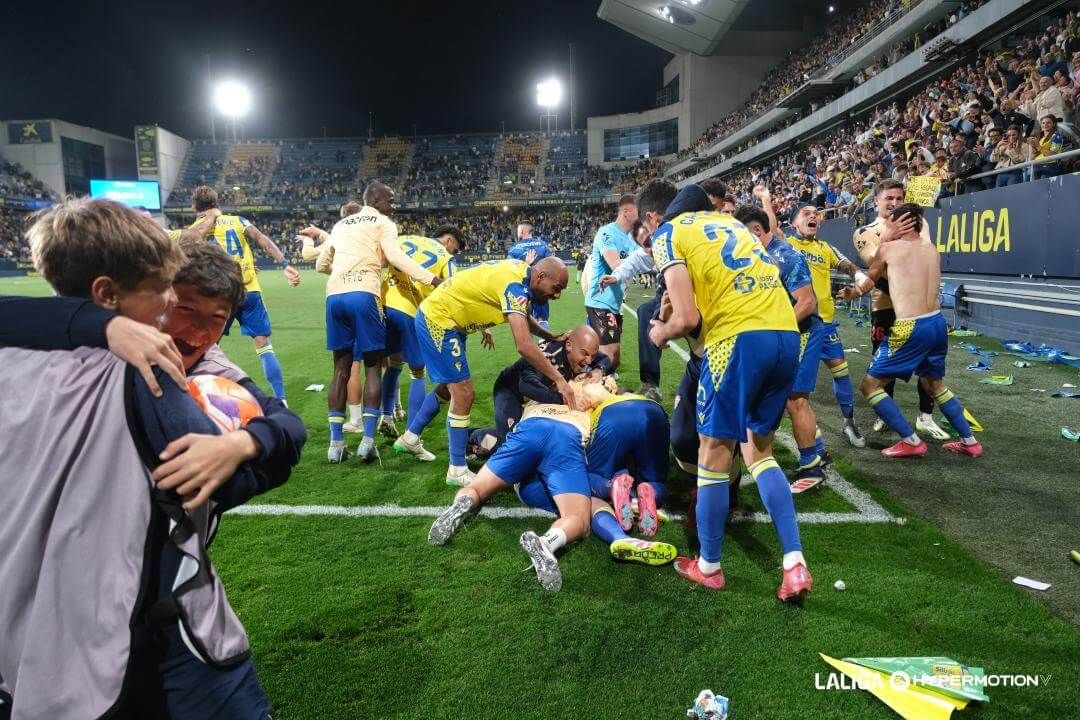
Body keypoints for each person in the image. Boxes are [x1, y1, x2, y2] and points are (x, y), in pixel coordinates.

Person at [1, 198, 299, 720]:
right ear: (107, 295)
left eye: (216, 319)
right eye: (169, 297)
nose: (173, 314)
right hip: (150, 615)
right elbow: (216, 486)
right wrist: (243, 451)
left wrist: (242, 442)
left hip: (26, 625)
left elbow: (286, 424)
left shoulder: (15, 352)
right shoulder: (147, 374)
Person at [641, 178, 811, 603]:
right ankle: (793, 561)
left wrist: (660, 334)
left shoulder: (669, 234)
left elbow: (685, 317)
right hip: (786, 334)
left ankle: (709, 566)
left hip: (735, 342)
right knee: (759, 452)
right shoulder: (734, 224)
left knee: (713, 453)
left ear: (663, 217)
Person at [395, 256, 572, 486]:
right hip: (439, 320)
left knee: (450, 389)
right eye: (556, 288)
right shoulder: (515, 285)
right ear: (540, 277)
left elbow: (522, 317)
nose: (557, 296)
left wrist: (551, 336)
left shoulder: (521, 273)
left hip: (449, 320)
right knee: (464, 393)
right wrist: (559, 379)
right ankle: (457, 469)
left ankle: (410, 437)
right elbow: (524, 345)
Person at [841, 203, 983, 459]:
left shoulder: (888, 248)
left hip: (910, 327)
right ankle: (970, 441)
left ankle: (911, 441)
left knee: (870, 385)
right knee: (934, 383)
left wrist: (854, 291)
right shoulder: (931, 249)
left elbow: (869, 280)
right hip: (937, 323)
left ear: (899, 224)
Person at [314, 181, 442, 464]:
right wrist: (432, 279)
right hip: (364, 294)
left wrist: (344, 272)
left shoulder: (342, 224)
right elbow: (396, 258)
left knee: (340, 369)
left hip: (334, 296)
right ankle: (367, 442)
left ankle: (335, 445)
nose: (393, 205)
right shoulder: (382, 222)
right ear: (376, 199)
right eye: (390, 199)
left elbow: (320, 265)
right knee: (373, 367)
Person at [427, 385, 598, 592]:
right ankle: (547, 542)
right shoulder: (593, 396)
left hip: (529, 429)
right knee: (579, 519)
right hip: (565, 437)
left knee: (477, 488)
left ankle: (461, 504)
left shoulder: (543, 388)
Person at [736, 186, 826, 491]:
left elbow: (807, 302)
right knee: (790, 398)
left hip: (801, 333)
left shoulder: (786, 256)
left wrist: (774, 324)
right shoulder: (761, 252)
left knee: (794, 400)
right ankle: (817, 449)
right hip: (784, 334)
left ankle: (811, 467)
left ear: (758, 230)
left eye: (743, 234)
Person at [853, 180, 948, 441]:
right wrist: (889, 238)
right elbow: (877, 269)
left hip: (920, 309)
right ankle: (885, 414)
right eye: (888, 198)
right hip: (884, 306)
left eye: (898, 197)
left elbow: (923, 254)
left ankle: (925, 417)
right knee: (883, 367)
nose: (894, 202)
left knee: (930, 367)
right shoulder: (865, 231)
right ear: (876, 201)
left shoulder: (919, 222)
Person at [189, 185, 299, 401]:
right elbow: (262, 240)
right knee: (264, 346)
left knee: (207, 349)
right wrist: (284, 263)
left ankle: (204, 399)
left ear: (195, 207)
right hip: (249, 291)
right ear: (217, 203)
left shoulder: (194, 230)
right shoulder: (238, 221)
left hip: (219, 294)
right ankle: (281, 401)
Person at [787, 203, 869, 449]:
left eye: (816, 214)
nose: (813, 216)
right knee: (799, 389)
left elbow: (846, 264)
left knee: (841, 373)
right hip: (802, 326)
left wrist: (857, 278)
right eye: (806, 214)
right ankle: (811, 433)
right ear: (794, 223)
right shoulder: (787, 246)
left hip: (827, 325)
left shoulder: (825, 248)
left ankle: (849, 422)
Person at [378, 227, 464, 445]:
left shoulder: (404, 238)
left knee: (393, 363)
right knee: (418, 372)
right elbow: (456, 288)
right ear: (448, 240)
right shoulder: (445, 257)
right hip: (408, 311)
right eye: (456, 248)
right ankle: (411, 435)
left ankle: (386, 416)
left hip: (382, 304)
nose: (455, 253)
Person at [474, 324, 606, 453]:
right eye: (585, 354)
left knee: (531, 438)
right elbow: (526, 386)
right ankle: (474, 436)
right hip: (510, 390)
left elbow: (604, 359)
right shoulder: (549, 356)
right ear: (569, 345)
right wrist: (564, 398)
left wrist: (599, 370)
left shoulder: (579, 346)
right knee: (511, 444)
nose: (589, 361)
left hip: (536, 394)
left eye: (592, 356)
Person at [584, 194, 639, 369]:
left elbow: (646, 258)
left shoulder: (631, 239)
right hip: (600, 300)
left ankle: (589, 375)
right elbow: (615, 264)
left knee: (614, 360)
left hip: (614, 304)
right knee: (608, 354)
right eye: (640, 210)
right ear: (626, 211)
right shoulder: (606, 232)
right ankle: (587, 387)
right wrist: (640, 260)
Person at [506, 222, 552, 328]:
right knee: (542, 318)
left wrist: (525, 264)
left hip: (522, 289)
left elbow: (508, 270)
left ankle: (528, 344)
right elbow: (551, 265)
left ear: (522, 231)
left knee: (526, 319)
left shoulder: (514, 249)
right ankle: (543, 343)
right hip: (541, 287)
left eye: (518, 230)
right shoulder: (542, 245)